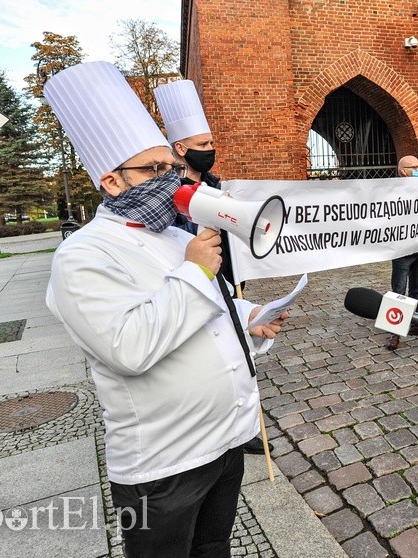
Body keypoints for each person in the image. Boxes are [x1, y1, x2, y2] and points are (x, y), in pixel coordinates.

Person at [43, 61, 287, 557]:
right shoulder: (82, 256)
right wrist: (197, 270)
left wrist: (248, 318)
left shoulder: (176, 236)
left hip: (225, 441)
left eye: (171, 169)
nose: (169, 179)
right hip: (164, 464)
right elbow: (129, 347)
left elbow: (205, 310)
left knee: (213, 548)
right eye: (153, 170)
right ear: (110, 181)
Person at [155, 80, 271, 456]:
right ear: (180, 149)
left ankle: (246, 425)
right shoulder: (165, 192)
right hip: (192, 280)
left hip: (227, 277)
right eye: (203, 145)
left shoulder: (216, 184)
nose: (211, 150)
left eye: (211, 143)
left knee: (241, 350)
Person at [386, 155, 418, 350]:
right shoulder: (393, 191)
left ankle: (415, 322)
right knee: (399, 290)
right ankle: (395, 331)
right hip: (402, 250)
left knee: (416, 288)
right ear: (403, 171)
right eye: (414, 167)